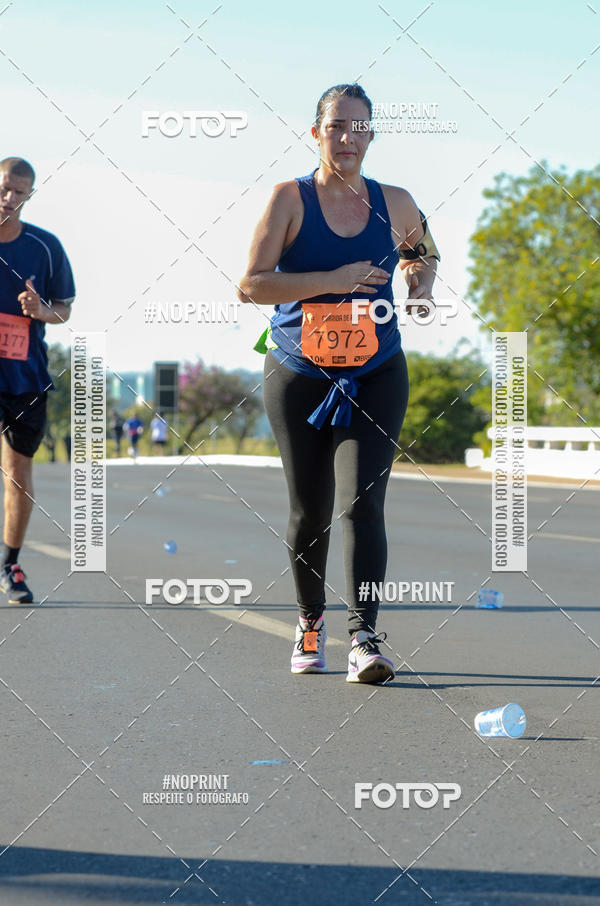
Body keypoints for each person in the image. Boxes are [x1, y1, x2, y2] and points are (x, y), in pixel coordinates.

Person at [238, 84, 439, 684]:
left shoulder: (395, 201)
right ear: (316, 132)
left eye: (360, 128)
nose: (348, 139)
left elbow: (425, 252)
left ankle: (364, 637)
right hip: (299, 373)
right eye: (337, 127)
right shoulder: (289, 199)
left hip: (376, 371)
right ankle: (309, 623)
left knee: (364, 504)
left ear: (372, 134)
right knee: (310, 510)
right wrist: (335, 278)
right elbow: (251, 284)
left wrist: (419, 282)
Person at [0, 157, 75, 604]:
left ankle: (11, 564)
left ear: (29, 196)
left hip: (24, 374)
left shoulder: (44, 247)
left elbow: (64, 308)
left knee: (18, 472)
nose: (10, 198)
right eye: (5, 188)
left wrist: (42, 311)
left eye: (19, 192)